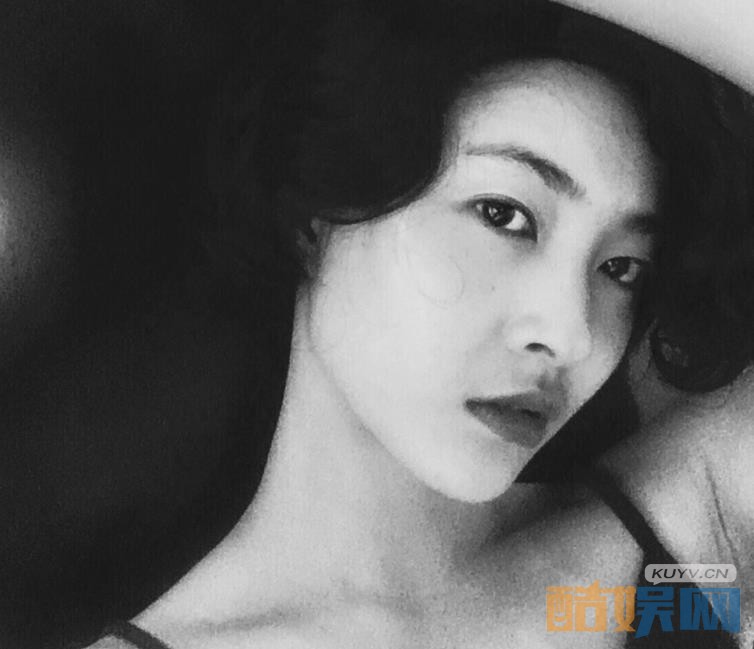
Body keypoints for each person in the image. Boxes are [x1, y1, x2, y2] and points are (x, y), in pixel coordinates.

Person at [82, 0, 754, 647]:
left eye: (620, 267)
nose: (572, 334)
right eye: (503, 215)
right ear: (320, 212)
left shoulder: (684, 549)